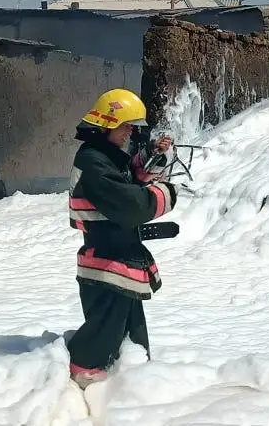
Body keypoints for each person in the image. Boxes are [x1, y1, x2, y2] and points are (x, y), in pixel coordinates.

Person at [65, 88, 178, 389]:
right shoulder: (93, 162)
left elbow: (126, 176)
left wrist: (152, 154)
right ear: (107, 125)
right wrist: (166, 193)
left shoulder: (103, 156)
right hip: (107, 265)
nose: (131, 132)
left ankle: (130, 386)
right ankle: (90, 389)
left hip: (116, 261)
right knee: (104, 335)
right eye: (126, 125)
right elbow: (130, 205)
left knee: (128, 333)